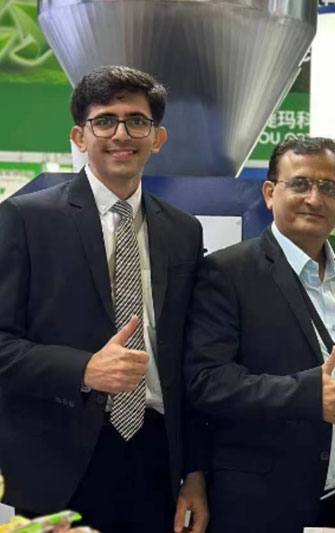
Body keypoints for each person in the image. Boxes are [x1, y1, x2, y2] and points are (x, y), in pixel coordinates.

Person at [0, 66, 208, 533]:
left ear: (157, 138)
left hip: (156, 454)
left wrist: (194, 472)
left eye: (137, 121)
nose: (121, 134)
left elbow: (189, 361)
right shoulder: (26, 219)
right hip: (59, 461)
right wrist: (84, 369)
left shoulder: (183, 230)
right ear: (80, 136)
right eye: (105, 121)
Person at [183, 137, 335, 533]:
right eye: (300, 184)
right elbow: (207, 381)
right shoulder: (228, 273)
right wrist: (302, 394)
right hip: (264, 505)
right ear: (270, 193)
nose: (314, 199)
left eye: (329, 188)